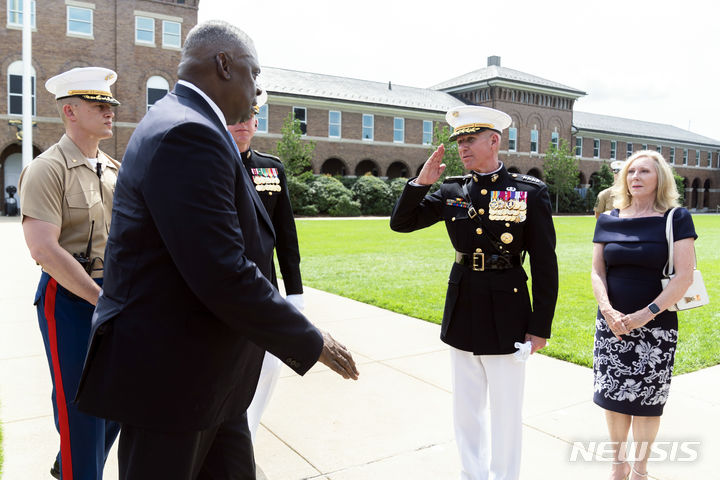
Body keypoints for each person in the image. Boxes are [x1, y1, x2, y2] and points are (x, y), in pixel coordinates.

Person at [75, 20, 358, 480]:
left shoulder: (187, 121)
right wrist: (310, 339)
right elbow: (221, 270)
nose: (256, 89)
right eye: (254, 73)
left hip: (207, 381)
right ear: (224, 65)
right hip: (172, 382)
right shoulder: (188, 133)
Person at [390, 105, 559, 480]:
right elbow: (401, 223)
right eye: (459, 142)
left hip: (508, 308)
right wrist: (421, 183)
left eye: (470, 140)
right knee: (466, 407)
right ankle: (472, 473)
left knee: (505, 409)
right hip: (464, 302)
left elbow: (545, 263)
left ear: (493, 141)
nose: (462, 148)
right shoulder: (452, 190)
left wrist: (540, 327)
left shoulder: (528, 191)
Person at [17, 67, 122, 480]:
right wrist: (100, 299)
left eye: (111, 104)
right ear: (70, 111)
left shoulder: (113, 169)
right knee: (79, 405)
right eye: (100, 105)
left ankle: (72, 461)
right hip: (70, 300)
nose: (110, 111)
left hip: (113, 293)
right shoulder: (47, 168)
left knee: (120, 399)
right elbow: (44, 249)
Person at [591, 150, 696, 480]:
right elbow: (597, 271)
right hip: (611, 324)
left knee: (648, 401)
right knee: (614, 396)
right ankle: (617, 466)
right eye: (630, 171)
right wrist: (607, 310)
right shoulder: (609, 218)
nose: (635, 176)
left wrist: (644, 315)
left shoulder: (675, 218)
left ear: (659, 178)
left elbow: (684, 276)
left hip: (656, 326)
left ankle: (640, 470)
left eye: (644, 172)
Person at [227, 91, 304, 441]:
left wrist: (296, 294)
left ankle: (248, 436)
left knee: (269, 367)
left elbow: (287, 237)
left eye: (249, 116)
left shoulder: (271, 168)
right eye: (235, 116)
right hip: (225, 285)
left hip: (265, 286)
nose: (243, 123)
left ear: (257, 120)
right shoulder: (210, 163)